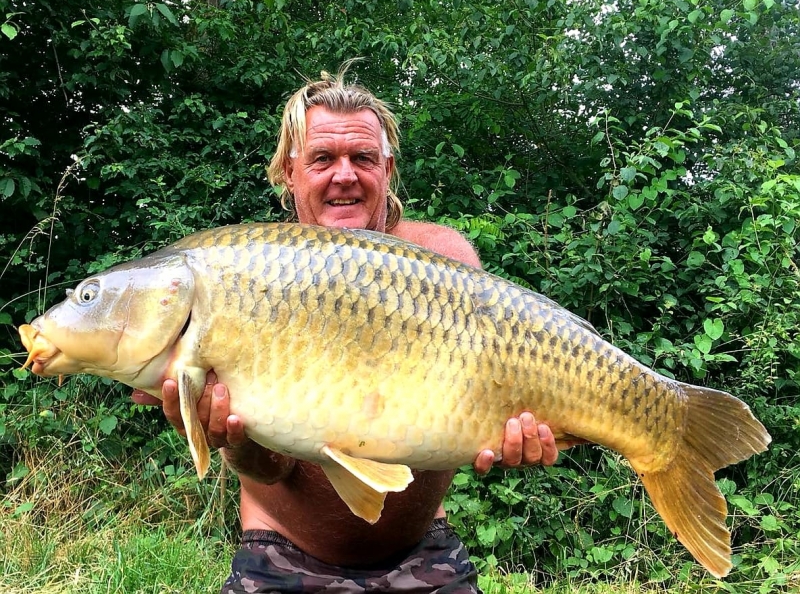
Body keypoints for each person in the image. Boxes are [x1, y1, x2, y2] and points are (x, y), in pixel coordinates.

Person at [132, 62, 559, 593]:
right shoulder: (251, 275)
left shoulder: (443, 259)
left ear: (387, 167)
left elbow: (504, 397)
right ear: (289, 172)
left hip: (422, 551)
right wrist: (230, 440)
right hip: (283, 551)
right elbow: (270, 471)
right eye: (322, 159)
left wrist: (529, 431)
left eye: (362, 158)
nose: (344, 174)